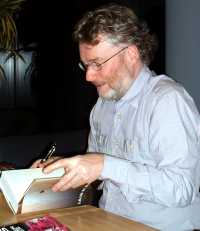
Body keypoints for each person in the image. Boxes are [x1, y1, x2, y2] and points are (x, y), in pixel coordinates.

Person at [32, 3, 200, 231]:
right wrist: (63, 167)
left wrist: (104, 166)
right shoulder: (103, 105)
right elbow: (96, 167)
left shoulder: (167, 100)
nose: (89, 76)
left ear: (130, 54)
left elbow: (182, 189)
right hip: (107, 222)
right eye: (86, 65)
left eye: (97, 63)